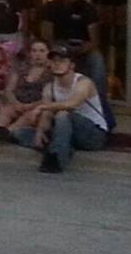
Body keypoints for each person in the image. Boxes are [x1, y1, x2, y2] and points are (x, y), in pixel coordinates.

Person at [11, 45, 108, 173]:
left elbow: (72, 104)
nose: (57, 64)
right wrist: (40, 131)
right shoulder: (49, 87)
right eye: (54, 61)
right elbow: (47, 115)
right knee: (20, 133)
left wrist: (41, 106)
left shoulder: (83, 82)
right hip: (66, 132)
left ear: (71, 65)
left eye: (62, 61)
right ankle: (63, 147)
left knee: (63, 114)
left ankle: (57, 159)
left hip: (93, 134)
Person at [38, 0, 107, 105]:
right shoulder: (50, 8)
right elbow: (46, 35)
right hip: (59, 45)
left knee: (97, 60)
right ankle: (50, 97)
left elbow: (94, 40)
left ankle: (100, 101)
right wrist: (59, 49)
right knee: (49, 56)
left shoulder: (87, 8)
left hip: (83, 46)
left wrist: (82, 49)